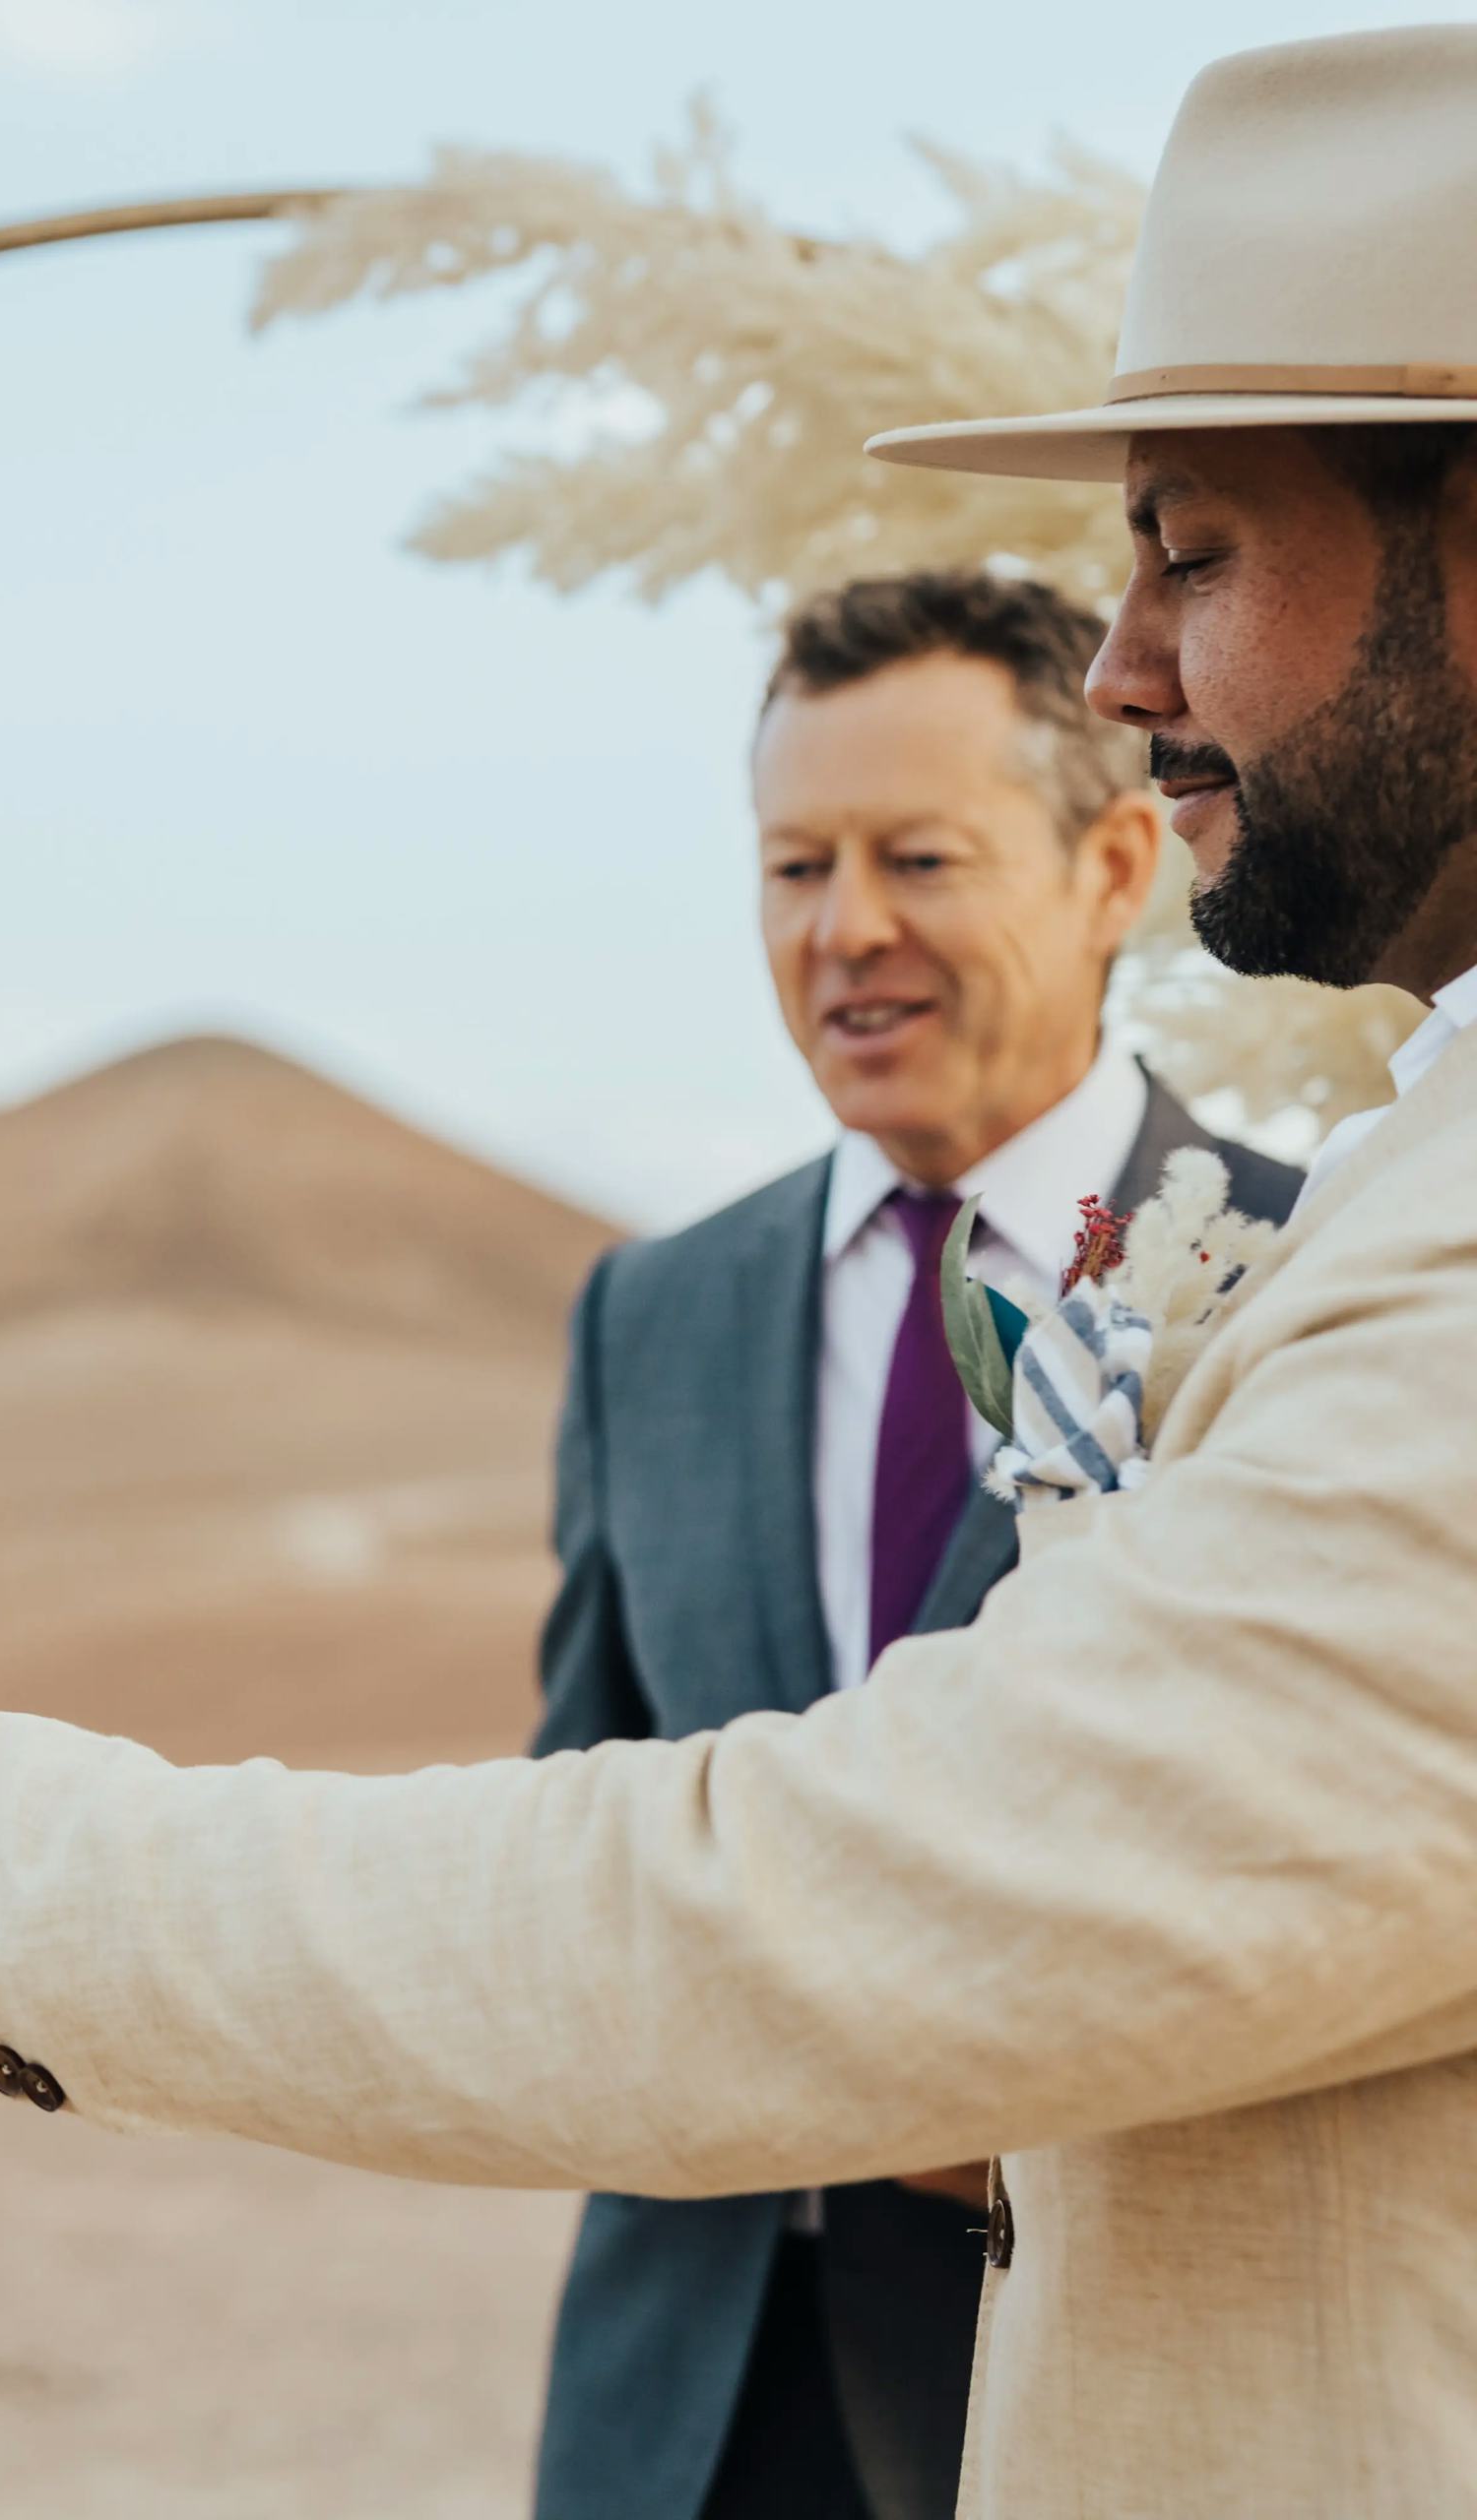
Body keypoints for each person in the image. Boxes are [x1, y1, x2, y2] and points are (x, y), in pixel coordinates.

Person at [0, 29, 1477, 2513]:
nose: (1125, 665)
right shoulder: (710, 1306)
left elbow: (787, 1910)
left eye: (1194, 547)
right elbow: (626, 1808)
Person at [531, 571, 1299, 2520]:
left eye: (917, 856)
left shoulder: (1318, 1281)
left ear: (1117, 863)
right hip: (674, 2410)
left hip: (1100, 2402)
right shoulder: (652, 1311)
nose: (842, 928)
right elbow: (578, 1831)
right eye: (794, 866)